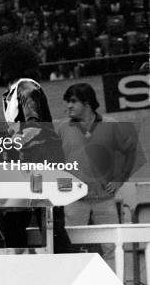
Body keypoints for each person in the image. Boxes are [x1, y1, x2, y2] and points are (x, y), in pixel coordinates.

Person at [0, 33, 71, 253]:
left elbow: (34, 126)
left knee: (51, 230)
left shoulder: (26, 89)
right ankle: (26, 267)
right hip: (31, 167)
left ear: (8, 62)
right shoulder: (15, 91)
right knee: (16, 220)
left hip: (43, 167)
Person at [57, 83, 141, 270]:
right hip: (74, 201)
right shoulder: (62, 128)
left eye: (72, 102)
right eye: (67, 102)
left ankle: (113, 284)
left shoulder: (110, 125)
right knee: (72, 248)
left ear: (86, 104)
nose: (68, 106)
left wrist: (120, 178)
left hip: (104, 200)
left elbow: (131, 150)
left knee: (112, 247)